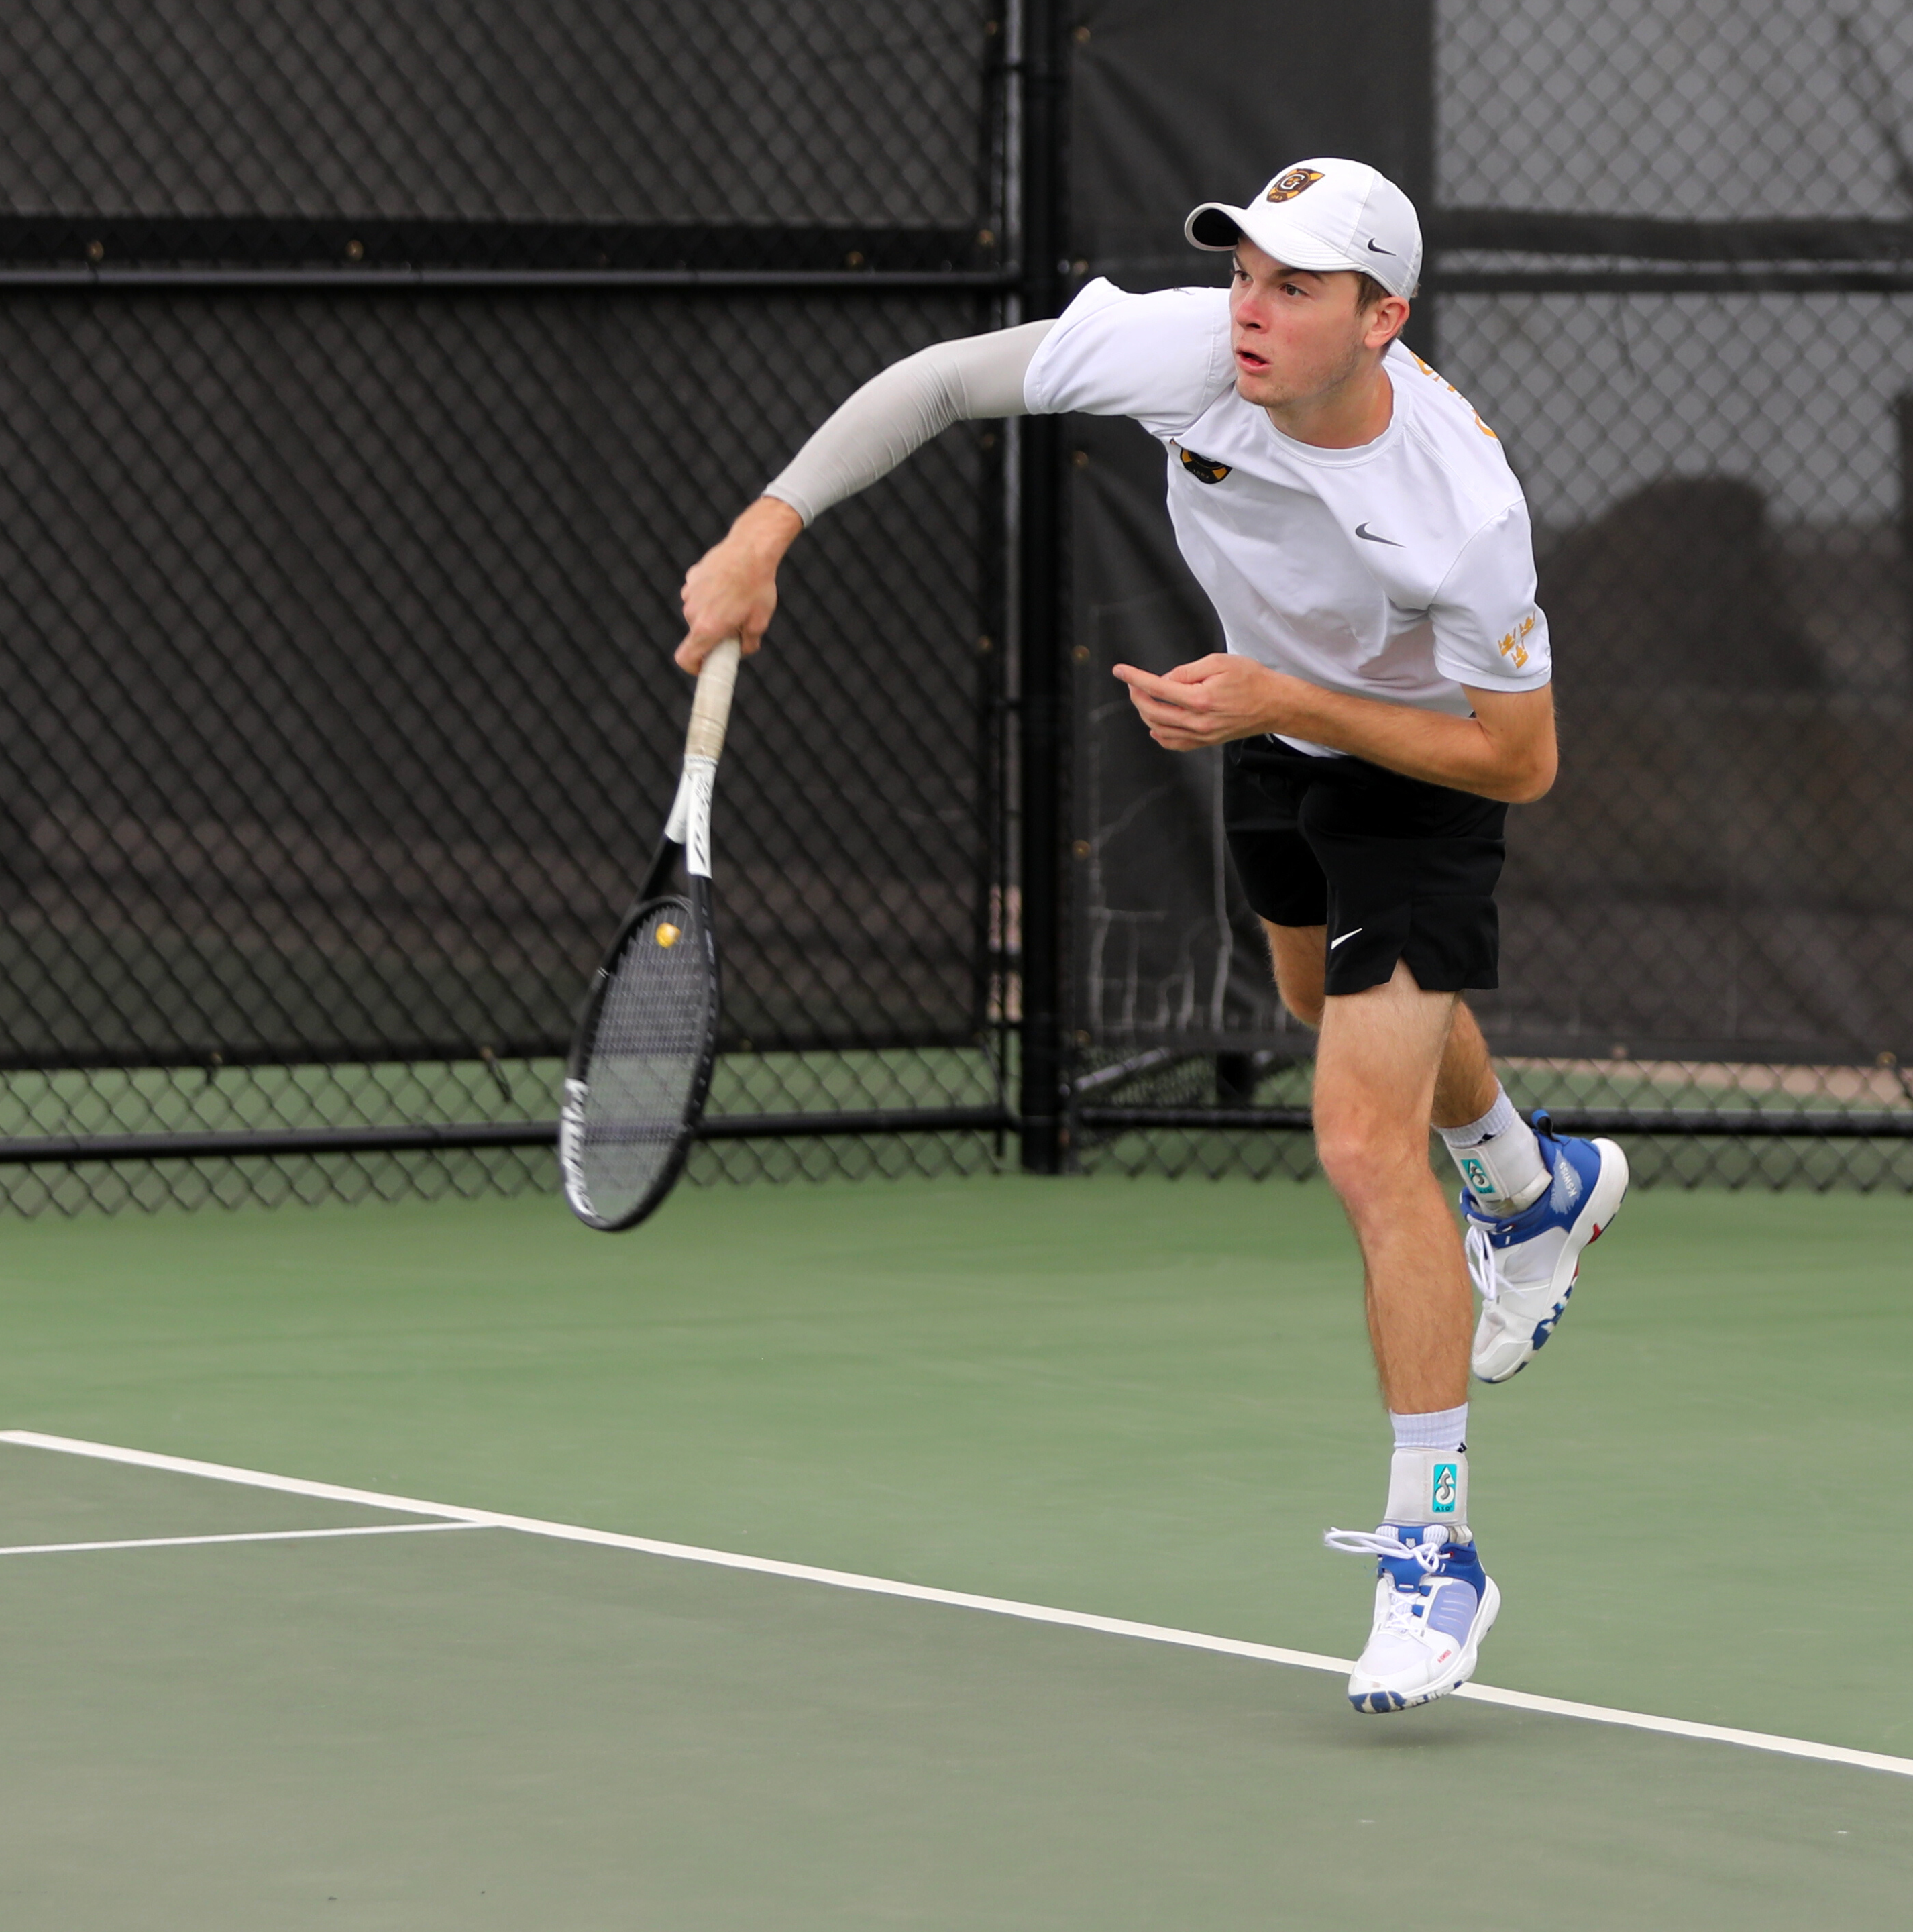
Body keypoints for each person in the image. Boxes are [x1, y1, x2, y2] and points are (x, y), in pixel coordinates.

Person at [671, 158, 1627, 1714]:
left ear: (1382, 320)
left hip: (1417, 766)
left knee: (1361, 1141)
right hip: (1270, 724)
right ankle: (1537, 1186)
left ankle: (1434, 1550)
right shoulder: (1192, 350)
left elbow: (1522, 764)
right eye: (1245, 270)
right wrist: (767, 529)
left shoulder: (1462, 512)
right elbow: (938, 382)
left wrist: (1286, 701)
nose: (1250, 309)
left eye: (1295, 288)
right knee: (1319, 997)